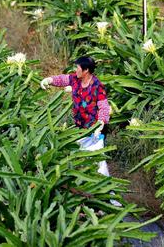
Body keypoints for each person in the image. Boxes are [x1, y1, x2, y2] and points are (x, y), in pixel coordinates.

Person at [40, 57, 121, 207]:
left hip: (95, 131)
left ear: (86, 71)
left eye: (78, 68)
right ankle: (87, 198)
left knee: (99, 165)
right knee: (80, 164)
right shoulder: (75, 80)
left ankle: (113, 201)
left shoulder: (97, 86)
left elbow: (104, 107)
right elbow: (63, 79)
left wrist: (100, 124)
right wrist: (49, 80)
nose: (75, 70)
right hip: (79, 130)